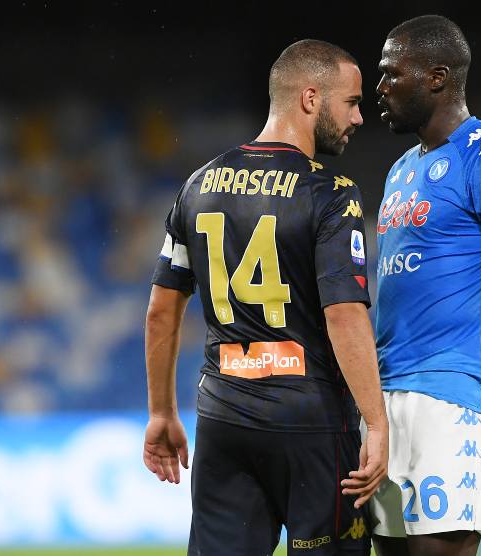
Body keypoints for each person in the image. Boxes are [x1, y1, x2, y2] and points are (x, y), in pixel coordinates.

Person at [142, 39, 388, 556]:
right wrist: (377, 419)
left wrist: (161, 412)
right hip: (311, 423)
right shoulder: (330, 191)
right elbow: (344, 314)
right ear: (310, 98)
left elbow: (162, 309)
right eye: (351, 102)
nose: (360, 117)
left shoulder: (200, 184)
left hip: (224, 417)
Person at [372, 15, 481, 556]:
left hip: (456, 397)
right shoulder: (400, 169)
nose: (380, 88)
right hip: (387, 398)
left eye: (391, 74)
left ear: (436, 77)